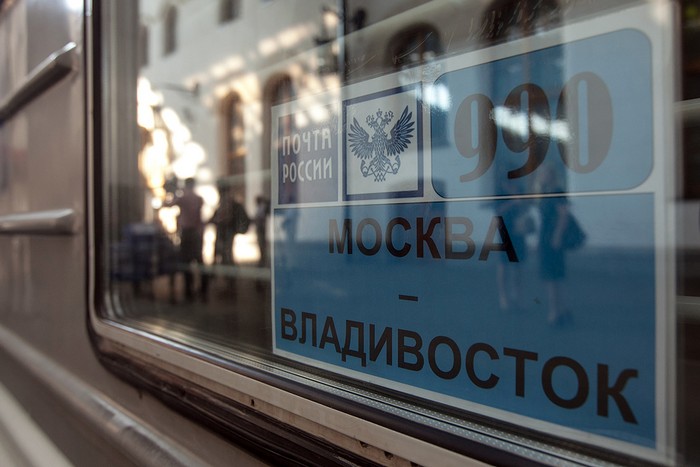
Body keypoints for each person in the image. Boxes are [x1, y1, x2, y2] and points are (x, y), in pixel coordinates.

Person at [164, 177, 208, 301]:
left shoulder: (183, 198)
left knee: (186, 261)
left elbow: (168, 204)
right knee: (199, 260)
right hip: (197, 232)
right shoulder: (198, 198)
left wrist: (172, 193)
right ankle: (203, 289)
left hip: (188, 233)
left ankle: (189, 290)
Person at [210, 185, 249, 266]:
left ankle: (228, 268)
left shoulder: (229, 204)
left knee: (226, 252)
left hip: (227, 230)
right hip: (224, 230)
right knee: (224, 252)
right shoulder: (224, 203)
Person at [254, 196, 270, 266]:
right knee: (261, 244)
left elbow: (260, 217)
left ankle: (263, 260)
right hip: (260, 228)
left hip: (261, 228)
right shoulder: (260, 207)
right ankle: (262, 259)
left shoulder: (262, 207)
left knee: (262, 244)